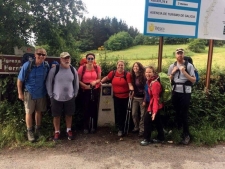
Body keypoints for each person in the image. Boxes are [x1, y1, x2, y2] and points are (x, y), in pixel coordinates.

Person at [17, 48, 49, 142]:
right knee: (29, 112)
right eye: (39, 54)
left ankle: (38, 130)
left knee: (39, 112)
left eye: (43, 55)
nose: (41, 56)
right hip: (29, 92)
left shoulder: (46, 66)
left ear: (45, 57)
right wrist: (20, 93)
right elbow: (19, 80)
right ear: (35, 55)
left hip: (41, 93)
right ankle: (29, 132)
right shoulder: (28, 65)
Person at [46, 52, 79, 141]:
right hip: (56, 97)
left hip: (70, 97)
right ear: (60, 59)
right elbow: (49, 82)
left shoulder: (73, 70)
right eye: (64, 58)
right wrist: (50, 95)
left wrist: (75, 94)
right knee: (56, 116)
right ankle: (57, 132)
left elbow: (76, 83)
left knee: (69, 114)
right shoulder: (54, 70)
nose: (66, 60)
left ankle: (68, 130)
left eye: (68, 58)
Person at [168, 48, 196, 145]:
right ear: (175, 55)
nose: (179, 55)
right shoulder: (172, 66)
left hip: (185, 92)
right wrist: (173, 72)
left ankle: (186, 134)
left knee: (184, 113)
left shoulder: (189, 66)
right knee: (177, 111)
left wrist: (184, 73)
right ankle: (178, 129)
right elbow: (168, 80)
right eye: (178, 53)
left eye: (181, 53)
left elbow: (193, 80)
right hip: (175, 91)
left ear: (183, 55)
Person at [101, 60, 134, 137]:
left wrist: (131, 89)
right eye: (119, 65)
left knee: (126, 112)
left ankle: (128, 128)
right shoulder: (113, 73)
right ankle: (120, 129)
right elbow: (106, 78)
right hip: (116, 97)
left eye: (122, 65)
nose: (120, 66)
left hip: (126, 97)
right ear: (117, 66)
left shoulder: (127, 74)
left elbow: (130, 84)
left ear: (124, 66)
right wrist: (100, 82)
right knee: (118, 113)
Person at [140, 66, 165, 146]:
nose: (148, 74)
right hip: (155, 105)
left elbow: (155, 98)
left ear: (153, 73)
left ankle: (147, 139)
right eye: (146, 72)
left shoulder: (155, 84)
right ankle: (161, 137)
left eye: (150, 72)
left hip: (155, 106)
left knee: (147, 121)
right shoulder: (150, 81)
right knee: (158, 122)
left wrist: (154, 112)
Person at [78, 53, 101, 134]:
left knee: (94, 108)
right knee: (85, 108)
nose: (90, 60)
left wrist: (95, 81)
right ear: (86, 59)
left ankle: (93, 126)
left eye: (92, 58)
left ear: (94, 59)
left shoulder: (97, 67)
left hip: (95, 89)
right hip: (85, 90)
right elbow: (78, 80)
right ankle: (85, 126)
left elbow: (99, 79)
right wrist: (85, 86)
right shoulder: (82, 68)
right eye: (89, 58)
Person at [130, 62, 146, 137]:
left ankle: (142, 130)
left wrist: (145, 100)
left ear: (140, 68)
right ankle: (136, 127)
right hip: (135, 98)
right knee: (134, 114)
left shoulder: (143, 76)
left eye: (137, 66)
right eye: (134, 66)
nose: (135, 67)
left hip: (142, 98)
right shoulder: (133, 76)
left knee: (143, 115)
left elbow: (146, 89)